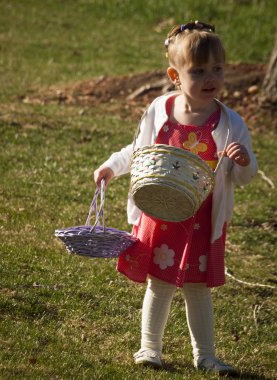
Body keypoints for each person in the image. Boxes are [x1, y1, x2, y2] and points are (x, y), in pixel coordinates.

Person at [94, 21, 258, 375]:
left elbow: (244, 177)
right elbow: (138, 152)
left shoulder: (230, 123)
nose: (210, 77)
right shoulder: (159, 110)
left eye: (217, 68)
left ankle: (206, 356)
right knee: (161, 283)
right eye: (198, 71)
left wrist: (244, 161)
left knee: (199, 289)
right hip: (161, 214)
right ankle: (149, 348)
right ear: (175, 75)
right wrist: (111, 167)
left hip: (202, 219)